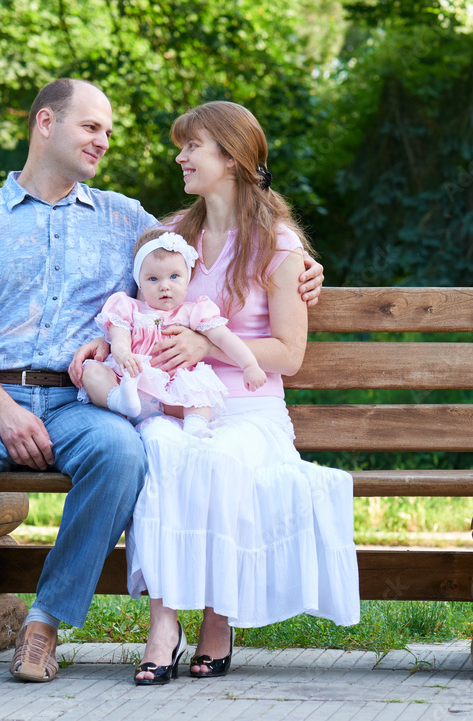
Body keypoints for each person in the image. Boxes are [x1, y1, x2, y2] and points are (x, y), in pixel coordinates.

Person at [0, 79, 324, 697]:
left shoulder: (126, 221)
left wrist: (305, 267)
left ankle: (45, 622)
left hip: (77, 400)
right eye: (92, 127)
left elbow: (203, 247)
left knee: (123, 453)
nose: (104, 140)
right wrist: (4, 411)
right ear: (45, 124)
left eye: (108, 131)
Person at [76, 100, 359, 686]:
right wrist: (104, 348)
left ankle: (218, 620)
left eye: (191, 147)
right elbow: (133, 312)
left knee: (223, 460)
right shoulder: (173, 238)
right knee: (159, 448)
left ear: (230, 159)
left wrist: (209, 347)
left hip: (250, 410)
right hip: (174, 402)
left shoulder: (278, 246)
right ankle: (163, 624)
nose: (179, 157)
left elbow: (290, 353)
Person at [78, 228, 266, 437]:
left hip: (173, 395)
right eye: (153, 279)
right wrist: (123, 354)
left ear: (187, 279)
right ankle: (120, 401)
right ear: (139, 282)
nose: (164, 286)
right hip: (131, 383)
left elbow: (225, 338)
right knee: (92, 372)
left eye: (174, 276)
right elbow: (119, 338)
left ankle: (195, 425)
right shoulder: (128, 308)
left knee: (200, 387)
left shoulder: (193, 312)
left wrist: (249, 364)